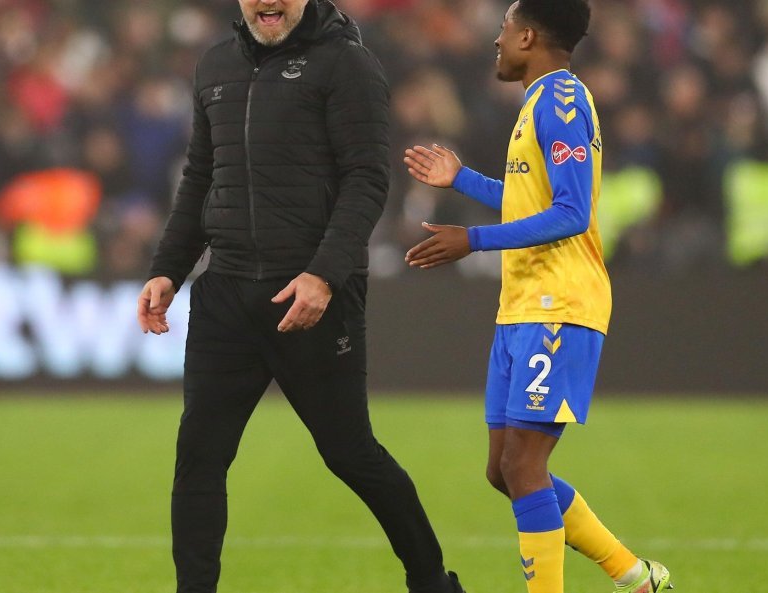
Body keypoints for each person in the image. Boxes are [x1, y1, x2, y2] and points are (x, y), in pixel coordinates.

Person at [136, 1, 465, 592]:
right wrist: (168, 270)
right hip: (225, 293)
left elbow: (368, 177)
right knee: (199, 457)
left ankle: (433, 583)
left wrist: (324, 275)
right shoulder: (215, 65)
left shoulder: (347, 64)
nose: (267, 1)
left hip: (312, 298)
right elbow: (202, 177)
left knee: (350, 454)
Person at [401, 2, 673, 593]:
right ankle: (635, 576)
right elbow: (533, 201)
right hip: (521, 305)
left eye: (503, 29)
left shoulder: (563, 102)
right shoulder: (536, 103)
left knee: (524, 466)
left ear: (527, 36)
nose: (496, 41)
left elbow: (572, 213)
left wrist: (473, 240)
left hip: (560, 303)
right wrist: (461, 180)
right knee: (504, 470)